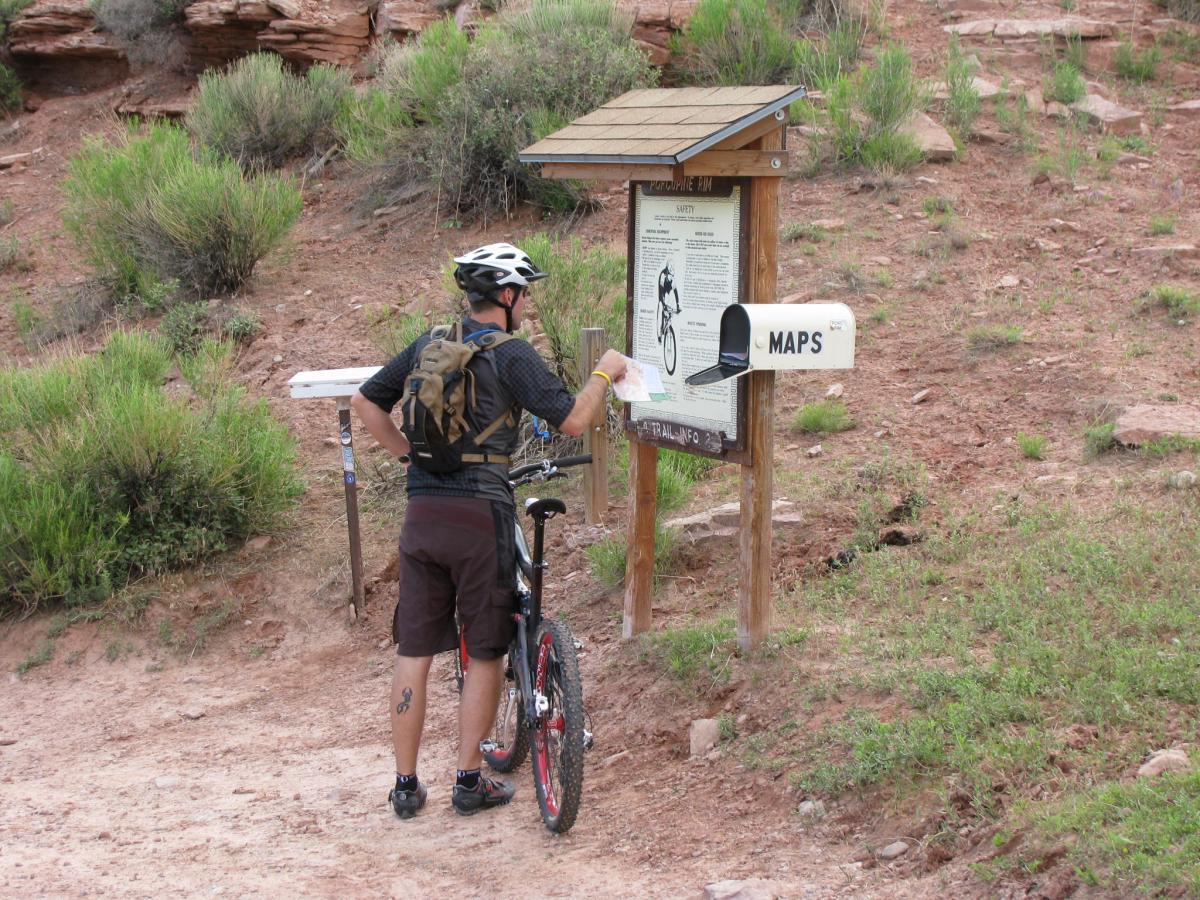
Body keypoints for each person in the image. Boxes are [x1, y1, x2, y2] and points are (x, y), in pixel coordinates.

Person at [351, 242, 627, 820]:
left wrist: (410, 458)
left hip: (421, 511)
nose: (525, 303)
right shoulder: (510, 354)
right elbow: (574, 419)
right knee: (485, 648)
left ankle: (405, 786)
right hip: (480, 514)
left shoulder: (431, 342)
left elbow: (366, 402)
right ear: (505, 296)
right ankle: (468, 779)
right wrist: (606, 370)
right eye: (523, 293)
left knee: (415, 649)